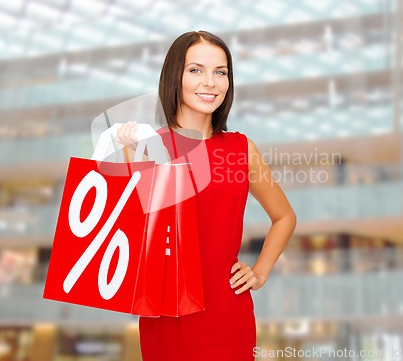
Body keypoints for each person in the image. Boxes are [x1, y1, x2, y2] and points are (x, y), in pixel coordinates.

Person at [116, 31, 296, 361]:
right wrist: (131, 160)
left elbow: (285, 217)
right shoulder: (146, 147)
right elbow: (133, 238)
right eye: (196, 70)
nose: (210, 82)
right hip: (167, 317)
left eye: (221, 72)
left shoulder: (241, 149)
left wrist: (260, 272)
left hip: (228, 315)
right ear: (175, 77)